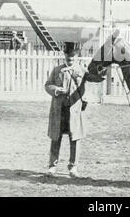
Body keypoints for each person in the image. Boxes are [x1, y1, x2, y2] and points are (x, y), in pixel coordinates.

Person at [44, 41, 89, 177]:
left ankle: (73, 168)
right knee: (55, 138)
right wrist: (57, 90)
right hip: (59, 110)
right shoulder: (57, 70)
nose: (70, 59)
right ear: (64, 55)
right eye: (68, 57)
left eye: (73, 57)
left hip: (74, 111)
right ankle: (52, 166)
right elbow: (47, 85)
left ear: (76, 56)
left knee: (74, 139)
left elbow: (92, 82)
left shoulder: (82, 71)